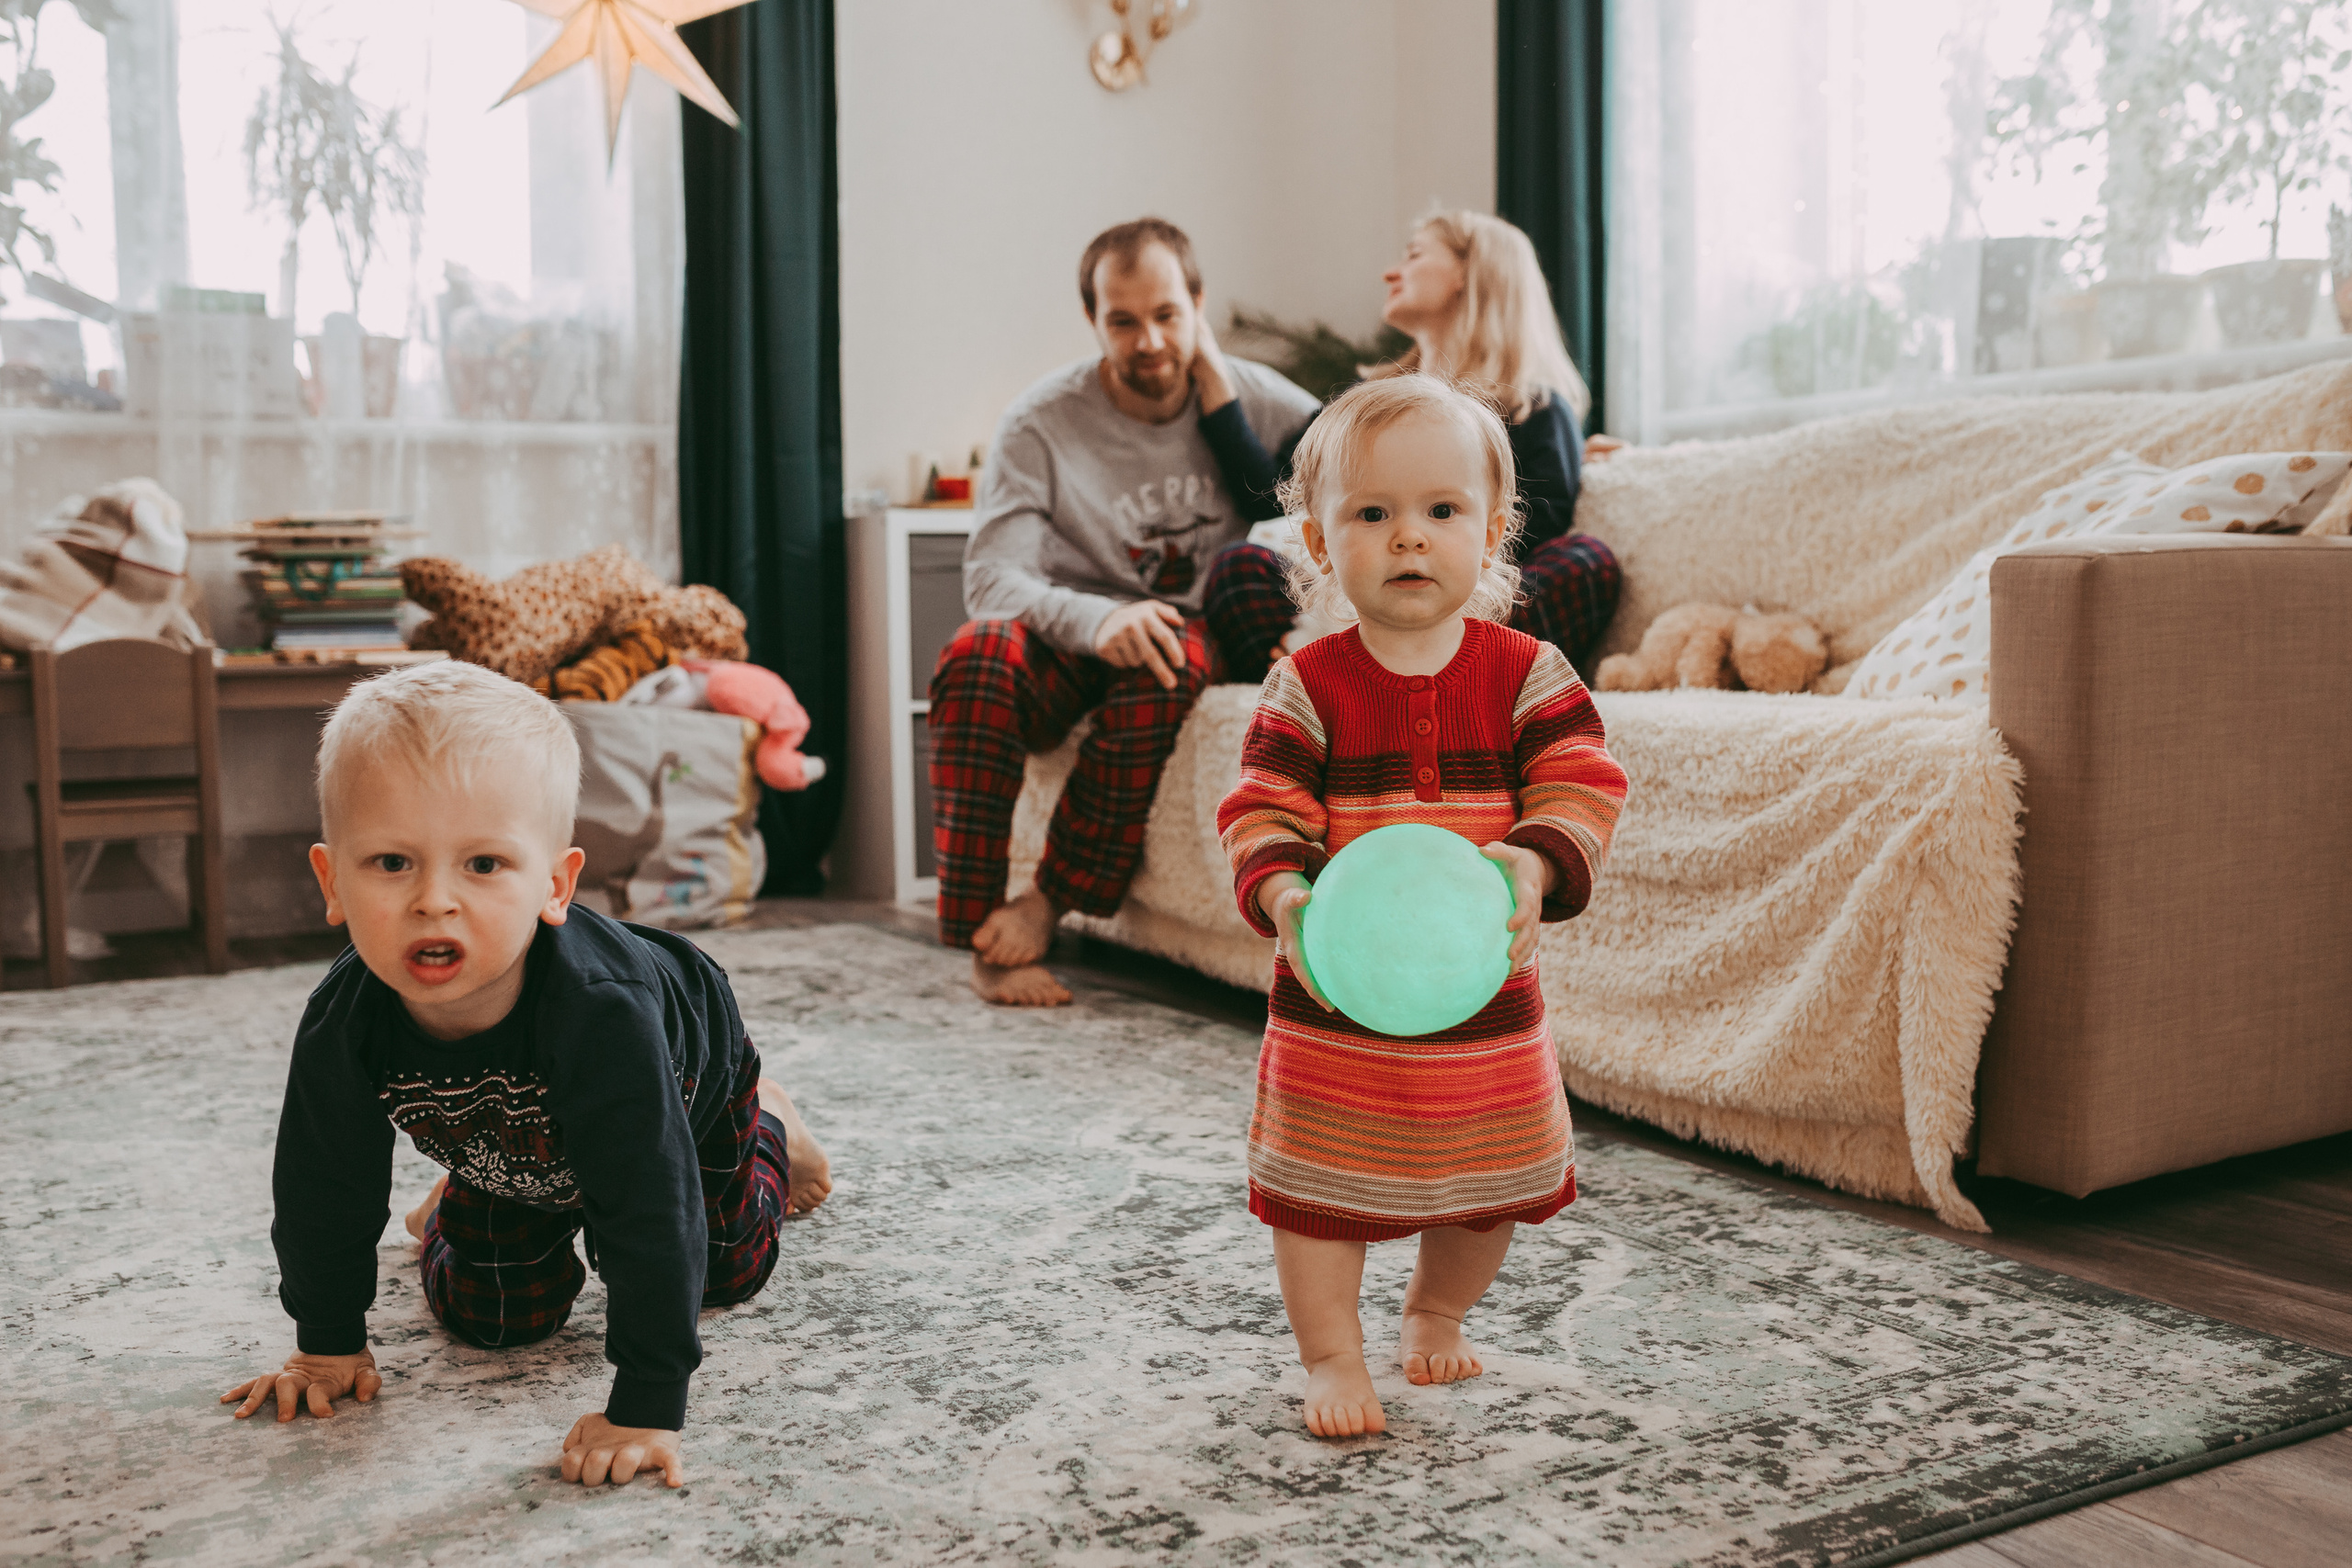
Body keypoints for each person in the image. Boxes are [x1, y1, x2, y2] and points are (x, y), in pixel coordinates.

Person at [220, 660, 833, 1489]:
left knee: (724, 1270)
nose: (434, 899)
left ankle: (770, 1122)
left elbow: (647, 1207)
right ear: (332, 881)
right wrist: (326, 1342)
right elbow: (321, 1183)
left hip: (680, 1105)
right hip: (511, 1141)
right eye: (393, 862)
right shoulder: (346, 1019)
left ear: (555, 884)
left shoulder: (602, 1013)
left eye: (483, 865)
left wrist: (646, 1403)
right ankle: (467, 1180)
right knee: (495, 1319)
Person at [1215, 374, 1627, 1438]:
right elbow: (1259, 805)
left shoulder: (1530, 673)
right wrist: (1286, 892)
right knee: (1318, 1189)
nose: (1408, 539)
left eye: (1440, 513)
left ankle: (1436, 1308)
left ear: (1490, 532)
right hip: (1336, 1007)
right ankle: (1330, 1355)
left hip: (1483, 1006)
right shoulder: (1306, 682)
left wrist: (1535, 865)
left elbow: (1582, 780)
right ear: (1318, 541)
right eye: (1372, 514)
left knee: (1491, 1186)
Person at [931, 216, 1321, 1008]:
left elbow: (1366, 459)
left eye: (1167, 314)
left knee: (1165, 655)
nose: (1148, 340)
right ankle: (980, 933)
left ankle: (1046, 900)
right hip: (1073, 626)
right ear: (1093, 320)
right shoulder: (1041, 421)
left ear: (1198, 303)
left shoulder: (1258, 396)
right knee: (976, 653)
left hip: (1187, 625)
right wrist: (1095, 621)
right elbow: (990, 578)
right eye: (1123, 320)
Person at [1193, 210, 1624, 683]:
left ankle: (1446, 669)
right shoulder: (1362, 405)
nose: (1390, 273)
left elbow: (1525, 537)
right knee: (1237, 567)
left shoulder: (1534, 409)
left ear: (1470, 272)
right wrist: (1214, 382)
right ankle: (1321, 679)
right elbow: (1268, 489)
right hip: (1347, 593)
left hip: (1463, 604)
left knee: (1586, 560)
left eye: (1414, 255)